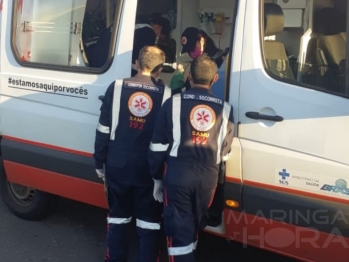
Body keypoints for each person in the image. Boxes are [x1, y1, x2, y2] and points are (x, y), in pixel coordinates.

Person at [148, 55, 235, 262]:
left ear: (188, 76)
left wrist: (156, 178)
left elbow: (157, 146)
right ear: (214, 79)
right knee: (195, 223)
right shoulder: (226, 108)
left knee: (179, 232)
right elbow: (225, 152)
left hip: (178, 174)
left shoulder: (173, 103)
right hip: (208, 178)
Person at [94, 46, 172, 262]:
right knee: (149, 221)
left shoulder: (116, 87)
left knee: (118, 217)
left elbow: (103, 128)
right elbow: (167, 138)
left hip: (118, 164)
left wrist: (99, 162)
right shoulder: (166, 95)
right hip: (148, 168)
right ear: (161, 68)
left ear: (137, 63)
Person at [170, 27, 229, 94]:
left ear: (202, 40)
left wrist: (175, 92)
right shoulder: (209, 57)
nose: (191, 53)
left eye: (192, 48)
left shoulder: (210, 63)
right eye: (189, 51)